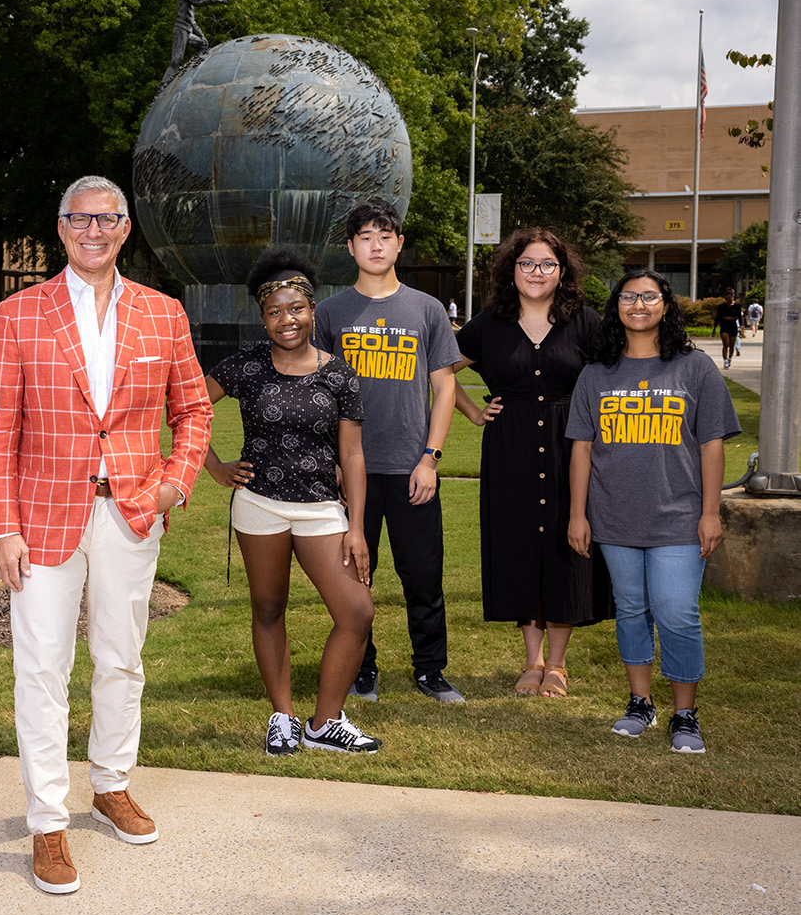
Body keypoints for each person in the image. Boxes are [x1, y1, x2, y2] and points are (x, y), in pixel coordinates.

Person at [0, 175, 212, 894]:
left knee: (120, 658)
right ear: (60, 228)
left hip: (132, 514)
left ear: (124, 228)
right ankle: (47, 822)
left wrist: (173, 483)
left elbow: (194, 410)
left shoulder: (162, 313)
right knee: (41, 669)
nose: (93, 229)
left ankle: (110, 784)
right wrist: (2, 528)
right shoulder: (19, 314)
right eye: (80, 218)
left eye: (106, 218)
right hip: (42, 521)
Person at [203, 247, 379, 757]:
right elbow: (183, 407)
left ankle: (325, 723)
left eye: (296, 308)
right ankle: (282, 716)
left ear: (312, 309)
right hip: (259, 504)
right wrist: (214, 468)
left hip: (322, 507)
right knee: (267, 608)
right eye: (275, 311)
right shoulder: (245, 366)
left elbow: (352, 452)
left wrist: (357, 526)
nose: (287, 320)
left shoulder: (338, 372)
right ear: (262, 317)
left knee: (356, 611)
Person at [567, 269, 740, 754]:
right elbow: (581, 448)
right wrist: (577, 515)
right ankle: (640, 703)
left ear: (666, 304)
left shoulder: (695, 368)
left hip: (679, 518)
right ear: (615, 306)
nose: (638, 304)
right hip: (615, 516)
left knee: (678, 613)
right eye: (628, 296)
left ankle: (685, 714)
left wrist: (711, 512)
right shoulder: (597, 373)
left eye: (649, 296)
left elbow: (711, 445)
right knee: (631, 610)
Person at [314, 198, 465, 704]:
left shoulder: (425, 309)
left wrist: (431, 458)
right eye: (364, 237)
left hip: (411, 467)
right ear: (351, 247)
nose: (375, 245)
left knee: (423, 574)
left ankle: (430, 670)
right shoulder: (331, 313)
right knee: (357, 576)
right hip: (350, 471)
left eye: (385, 235)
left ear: (400, 243)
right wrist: (330, 460)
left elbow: (444, 388)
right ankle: (363, 667)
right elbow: (317, 393)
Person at [452, 228, 612, 698]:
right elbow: (436, 369)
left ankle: (558, 664)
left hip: (573, 446)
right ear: (511, 270)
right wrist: (473, 411)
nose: (536, 272)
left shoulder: (585, 322)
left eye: (546, 264)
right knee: (519, 544)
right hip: (510, 448)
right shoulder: (488, 324)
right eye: (527, 263)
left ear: (562, 272)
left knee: (567, 542)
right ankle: (531, 660)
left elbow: (617, 373)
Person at [711, 287, 742, 368]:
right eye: (727, 295)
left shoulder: (737, 306)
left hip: (733, 325)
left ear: (733, 296)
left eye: (730, 295)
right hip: (724, 325)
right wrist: (714, 328)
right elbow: (717, 317)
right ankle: (725, 361)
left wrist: (741, 327)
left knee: (732, 345)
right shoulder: (721, 306)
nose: (728, 297)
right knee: (726, 344)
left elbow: (739, 317)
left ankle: (729, 359)